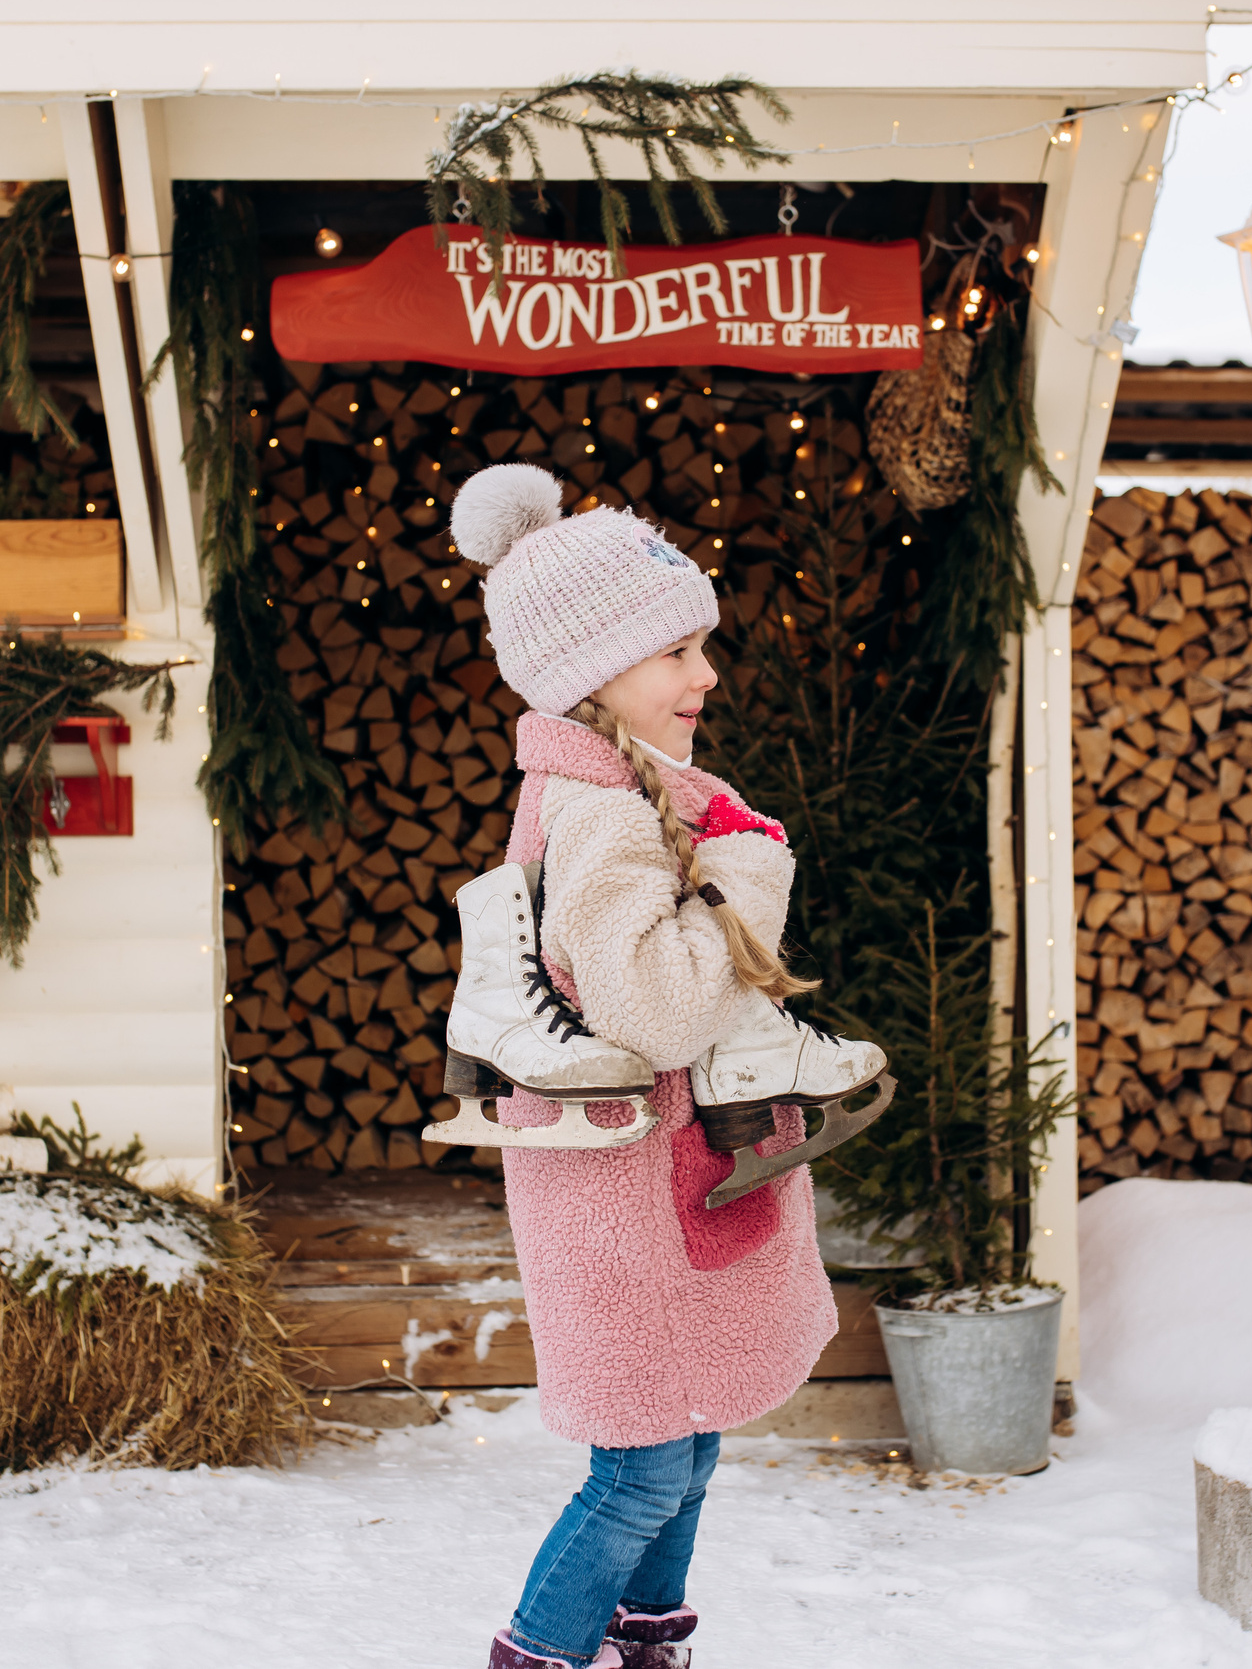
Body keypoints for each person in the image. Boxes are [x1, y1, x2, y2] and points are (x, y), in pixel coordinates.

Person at [447, 463, 857, 1669]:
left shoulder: (626, 791)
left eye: (700, 646)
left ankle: (644, 1641)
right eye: (676, 651)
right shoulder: (603, 815)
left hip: (648, 1189)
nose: (704, 674)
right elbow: (663, 1009)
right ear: (593, 673)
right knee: (639, 1469)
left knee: (686, 1441)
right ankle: (540, 1651)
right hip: (628, 1205)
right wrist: (747, 870)